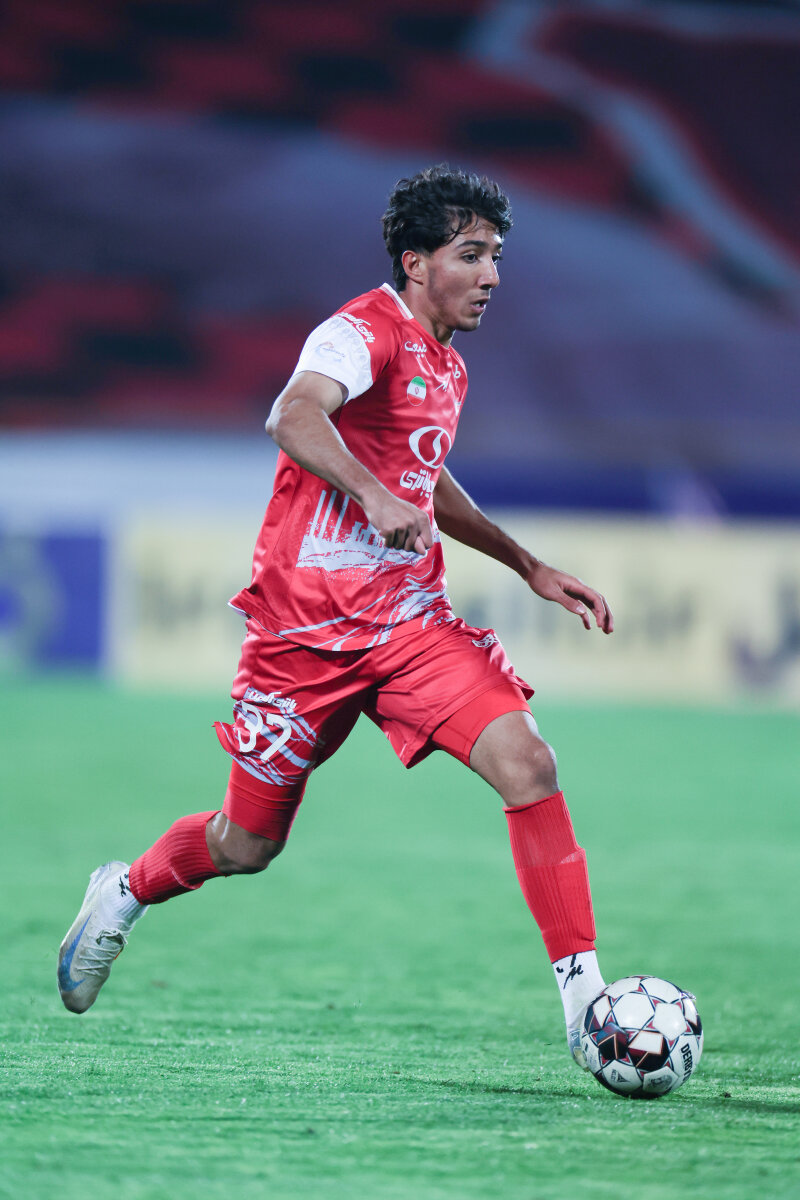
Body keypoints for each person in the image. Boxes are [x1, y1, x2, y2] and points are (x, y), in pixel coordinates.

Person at [57, 164, 613, 1070]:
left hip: (409, 627)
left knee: (529, 763)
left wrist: (528, 564)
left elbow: (425, 479)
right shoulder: (361, 332)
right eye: (471, 255)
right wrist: (369, 492)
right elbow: (293, 416)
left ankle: (587, 1005)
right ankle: (125, 889)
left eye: (496, 257)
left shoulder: (446, 363)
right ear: (416, 261)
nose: (491, 276)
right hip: (302, 642)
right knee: (246, 845)